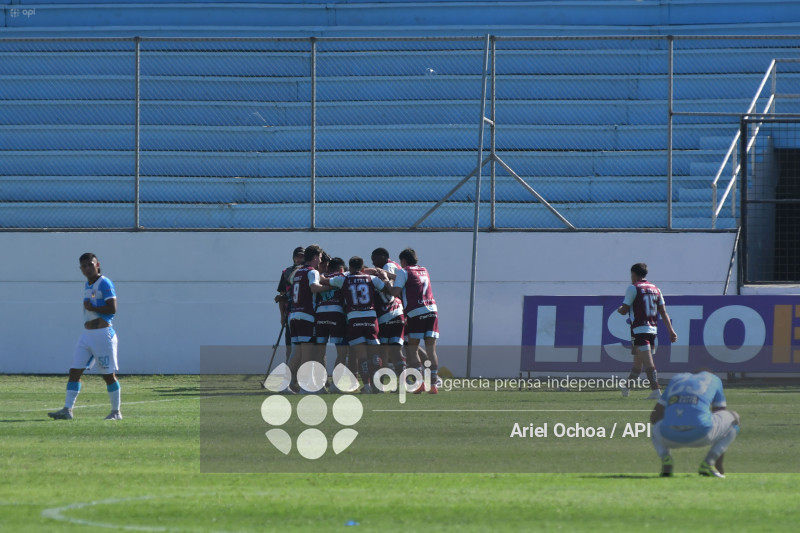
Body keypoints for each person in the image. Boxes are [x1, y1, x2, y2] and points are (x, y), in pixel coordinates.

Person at [49, 253, 121, 420]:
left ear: (97, 265)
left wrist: (93, 306)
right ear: (80, 269)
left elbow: (112, 309)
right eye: (84, 266)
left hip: (103, 335)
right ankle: (68, 410)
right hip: (87, 335)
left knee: (108, 375)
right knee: (74, 371)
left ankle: (116, 412)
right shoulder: (88, 285)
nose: (87, 268)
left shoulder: (104, 282)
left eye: (90, 264)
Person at [650, 370, 740, 478]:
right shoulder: (714, 380)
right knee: (733, 419)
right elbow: (720, 413)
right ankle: (710, 462)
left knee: (656, 428)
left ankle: (666, 459)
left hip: (669, 436)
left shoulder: (676, 379)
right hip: (702, 434)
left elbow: (654, 417)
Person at [325, 256, 392, 394]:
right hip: (371, 318)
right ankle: (379, 386)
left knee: (361, 356)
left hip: (354, 318)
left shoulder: (343, 278)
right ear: (363, 268)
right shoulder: (371, 279)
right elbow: (386, 289)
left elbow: (324, 281)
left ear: (349, 267)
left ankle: (366, 386)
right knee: (374, 355)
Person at [616, 263, 678, 399]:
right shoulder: (656, 289)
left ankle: (656, 391)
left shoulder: (633, 288)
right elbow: (663, 312)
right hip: (652, 331)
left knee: (648, 363)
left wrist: (619, 309)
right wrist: (671, 331)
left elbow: (624, 310)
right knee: (638, 365)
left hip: (639, 330)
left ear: (634, 274)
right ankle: (626, 387)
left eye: (631, 275)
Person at [389, 248, 440, 394]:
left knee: (412, 348)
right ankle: (433, 384)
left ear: (403, 261)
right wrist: (390, 275)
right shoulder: (424, 270)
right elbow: (408, 279)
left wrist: (387, 282)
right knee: (431, 349)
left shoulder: (404, 271)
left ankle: (419, 383)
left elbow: (395, 292)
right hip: (432, 310)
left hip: (415, 311)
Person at [314, 257, 350, 392]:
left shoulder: (321, 276)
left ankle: (320, 386)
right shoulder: (343, 276)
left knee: (320, 352)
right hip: (337, 313)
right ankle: (336, 384)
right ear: (342, 268)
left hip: (320, 314)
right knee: (342, 352)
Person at [370, 247, 407, 377]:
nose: (373, 262)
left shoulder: (388, 266)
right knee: (399, 348)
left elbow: (389, 288)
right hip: (399, 312)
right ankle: (402, 379)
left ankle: (384, 381)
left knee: (387, 350)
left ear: (383, 257)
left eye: (374, 259)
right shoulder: (395, 265)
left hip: (389, 311)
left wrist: (377, 280)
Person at [275, 246, 305, 363]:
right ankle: (289, 375)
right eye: (298, 256)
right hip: (290, 313)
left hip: (304, 312)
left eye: (302, 256)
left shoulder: (309, 271)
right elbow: (282, 296)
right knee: (289, 347)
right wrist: (282, 316)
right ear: (293, 258)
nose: (300, 259)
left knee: (304, 348)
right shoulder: (286, 272)